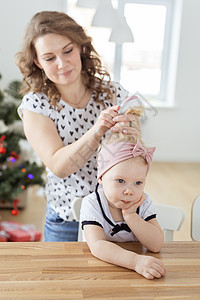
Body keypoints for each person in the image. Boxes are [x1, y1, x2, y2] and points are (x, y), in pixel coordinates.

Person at [15, 11, 141, 242]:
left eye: (68, 51)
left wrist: (133, 135)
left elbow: (134, 158)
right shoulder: (35, 105)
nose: (62, 64)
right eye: (50, 58)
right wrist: (97, 130)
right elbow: (59, 166)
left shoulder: (113, 92)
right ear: (38, 62)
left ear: (81, 47)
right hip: (68, 219)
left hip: (118, 214)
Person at [80, 132, 166, 279]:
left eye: (138, 183)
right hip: (100, 274)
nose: (129, 191)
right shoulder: (92, 203)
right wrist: (135, 261)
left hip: (137, 277)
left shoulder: (143, 202)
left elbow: (156, 245)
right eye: (120, 181)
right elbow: (98, 245)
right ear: (101, 177)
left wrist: (131, 215)